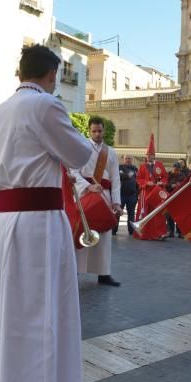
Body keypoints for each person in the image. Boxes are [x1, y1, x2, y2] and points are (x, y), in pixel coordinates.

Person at [0, 44, 100, 382]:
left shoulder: (2, 109)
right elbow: (82, 156)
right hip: (38, 225)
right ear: (52, 73)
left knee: (6, 320)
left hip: (4, 223)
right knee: (43, 323)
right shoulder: (45, 105)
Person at [72, 117, 121, 286]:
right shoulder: (80, 148)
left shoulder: (111, 152)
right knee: (82, 230)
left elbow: (115, 179)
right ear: (89, 131)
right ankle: (76, 271)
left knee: (105, 234)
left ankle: (104, 274)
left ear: (103, 131)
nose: (97, 134)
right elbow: (73, 172)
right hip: (85, 195)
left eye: (100, 131)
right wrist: (87, 186)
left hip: (105, 196)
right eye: (94, 131)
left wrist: (117, 203)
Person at [135, 135, 168, 240]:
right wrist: (146, 183)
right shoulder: (142, 166)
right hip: (146, 192)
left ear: (155, 155)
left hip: (156, 191)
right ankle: (145, 234)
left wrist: (161, 183)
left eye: (151, 154)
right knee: (145, 212)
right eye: (148, 155)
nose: (149, 156)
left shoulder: (160, 165)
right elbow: (138, 179)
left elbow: (165, 176)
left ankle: (159, 233)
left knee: (158, 213)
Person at [112, 155, 138, 236]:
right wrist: (128, 176)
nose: (128, 160)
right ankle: (114, 230)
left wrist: (137, 194)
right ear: (123, 160)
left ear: (132, 159)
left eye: (129, 158)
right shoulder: (119, 167)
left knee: (131, 214)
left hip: (132, 195)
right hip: (121, 194)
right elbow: (119, 176)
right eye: (126, 158)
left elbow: (138, 181)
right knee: (117, 213)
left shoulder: (135, 169)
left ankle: (131, 231)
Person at [166, 162, 187, 237]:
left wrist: (179, 185)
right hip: (169, 197)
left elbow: (185, 185)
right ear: (173, 168)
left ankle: (180, 232)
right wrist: (171, 185)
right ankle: (170, 231)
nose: (176, 172)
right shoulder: (168, 174)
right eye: (175, 170)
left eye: (177, 170)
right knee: (169, 215)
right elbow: (165, 184)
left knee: (179, 216)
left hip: (178, 198)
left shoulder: (182, 176)